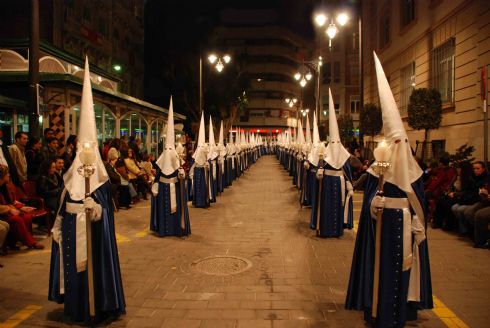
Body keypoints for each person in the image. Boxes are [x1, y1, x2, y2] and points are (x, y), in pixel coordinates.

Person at [346, 53, 432, 327]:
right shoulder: (376, 172)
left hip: (406, 226)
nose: (397, 148)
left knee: (407, 268)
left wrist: (419, 224)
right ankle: (375, 305)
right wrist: (374, 205)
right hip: (381, 228)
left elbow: (419, 201)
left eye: (401, 142)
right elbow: (370, 197)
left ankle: (406, 308)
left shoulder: (414, 173)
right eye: (393, 141)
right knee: (381, 267)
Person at [48, 57, 125, 324]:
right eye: (83, 149)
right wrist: (61, 222)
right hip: (72, 230)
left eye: (90, 149)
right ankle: (76, 306)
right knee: (74, 271)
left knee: (94, 268)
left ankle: (99, 304)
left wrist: (97, 209)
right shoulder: (70, 176)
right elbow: (61, 203)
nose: (86, 154)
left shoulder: (101, 180)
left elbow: (107, 214)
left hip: (93, 234)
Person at [311, 89, 354, 237]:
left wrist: (349, 184)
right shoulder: (325, 153)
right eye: (333, 142)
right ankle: (325, 229)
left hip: (340, 183)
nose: (335, 145)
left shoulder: (344, 155)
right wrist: (320, 173)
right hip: (327, 184)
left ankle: (337, 230)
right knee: (327, 207)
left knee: (338, 207)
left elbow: (347, 171)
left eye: (337, 142)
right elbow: (319, 167)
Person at [150, 97, 190, 236]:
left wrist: (181, 175)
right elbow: (157, 176)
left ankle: (175, 229)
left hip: (174, 187)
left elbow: (181, 175)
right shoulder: (162, 161)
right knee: (163, 209)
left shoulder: (176, 159)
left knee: (175, 208)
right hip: (162, 188)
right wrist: (155, 186)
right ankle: (163, 230)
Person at [0, 165, 44, 249]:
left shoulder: (5, 186)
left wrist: (22, 207)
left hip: (8, 210)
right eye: (7, 174)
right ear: (1, 176)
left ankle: (15, 242)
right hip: (2, 214)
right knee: (16, 219)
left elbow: (12, 201)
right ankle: (31, 243)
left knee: (27, 216)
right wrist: (9, 209)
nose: (9, 175)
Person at [451, 161, 488, 236]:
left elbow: (478, 193)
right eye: (474, 169)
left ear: (483, 169)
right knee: (454, 207)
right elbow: (467, 191)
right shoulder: (472, 178)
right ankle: (464, 230)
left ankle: (471, 231)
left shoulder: (486, 178)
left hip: (480, 200)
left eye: (478, 168)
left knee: (463, 210)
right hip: (471, 199)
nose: (475, 170)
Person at [189, 113, 210, 208]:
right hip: (198, 172)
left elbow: (205, 159)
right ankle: (198, 202)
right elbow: (193, 164)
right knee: (198, 187)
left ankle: (202, 201)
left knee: (201, 187)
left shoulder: (203, 150)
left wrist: (206, 165)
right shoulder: (199, 152)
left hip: (202, 172)